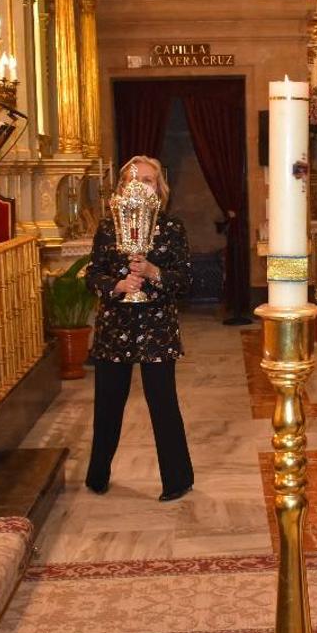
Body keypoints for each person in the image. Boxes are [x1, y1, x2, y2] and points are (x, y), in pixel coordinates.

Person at [84, 155, 195, 501]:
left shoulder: (172, 228)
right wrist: (117, 287)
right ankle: (98, 476)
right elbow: (93, 274)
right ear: (121, 189)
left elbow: (185, 280)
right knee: (107, 405)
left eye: (148, 180)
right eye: (134, 179)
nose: (141, 185)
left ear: (159, 188)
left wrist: (152, 272)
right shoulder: (107, 227)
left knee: (163, 404)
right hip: (114, 327)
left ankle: (177, 480)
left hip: (157, 328)